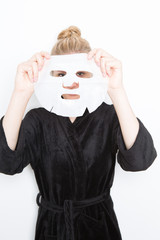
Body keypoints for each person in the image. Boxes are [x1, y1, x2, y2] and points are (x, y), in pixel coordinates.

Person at [0, 26, 157, 240]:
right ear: (50, 76)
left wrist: (116, 89)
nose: (71, 82)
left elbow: (140, 160)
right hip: (53, 228)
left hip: (100, 227)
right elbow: (6, 163)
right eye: (61, 74)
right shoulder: (38, 119)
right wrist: (21, 92)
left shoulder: (108, 115)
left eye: (82, 73)